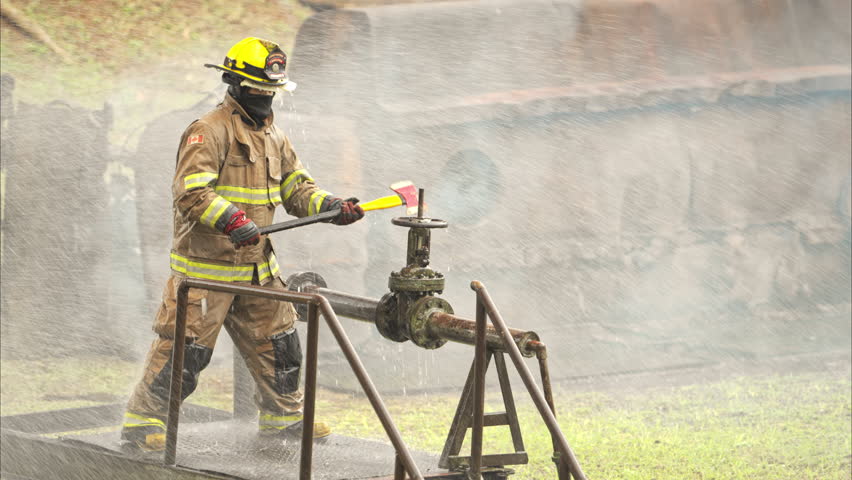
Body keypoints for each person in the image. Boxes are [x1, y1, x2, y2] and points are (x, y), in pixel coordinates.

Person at [120, 37, 364, 452]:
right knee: (185, 353)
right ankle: (143, 422)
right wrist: (232, 219)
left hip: (257, 270)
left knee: (281, 346)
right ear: (233, 83)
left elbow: (297, 188)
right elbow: (191, 193)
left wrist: (332, 206)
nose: (266, 99)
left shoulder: (275, 137)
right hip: (205, 272)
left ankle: (282, 419)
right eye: (258, 90)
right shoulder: (208, 131)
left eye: (272, 92)